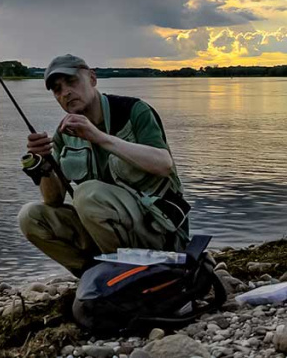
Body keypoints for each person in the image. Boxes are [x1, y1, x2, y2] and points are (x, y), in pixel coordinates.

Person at [18, 54, 191, 277]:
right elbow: (53, 199)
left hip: (159, 233)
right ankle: (95, 276)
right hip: (105, 236)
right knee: (30, 216)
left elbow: (163, 164)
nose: (65, 92)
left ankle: (132, 277)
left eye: (71, 82)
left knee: (88, 193)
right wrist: (43, 163)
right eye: (57, 89)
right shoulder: (64, 134)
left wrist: (99, 137)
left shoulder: (133, 111)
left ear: (92, 78)